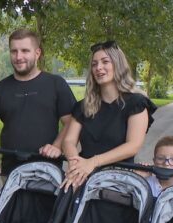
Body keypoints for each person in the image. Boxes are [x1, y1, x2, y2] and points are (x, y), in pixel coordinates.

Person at [0, 29, 76, 178]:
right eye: (14, 51)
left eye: (25, 51)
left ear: (37, 53)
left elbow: (71, 123)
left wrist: (56, 145)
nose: (18, 57)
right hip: (10, 172)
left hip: (48, 170)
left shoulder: (56, 84)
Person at [62, 40, 156, 191]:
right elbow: (68, 141)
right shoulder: (83, 106)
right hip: (83, 177)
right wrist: (75, 164)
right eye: (94, 64)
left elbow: (133, 146)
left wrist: (93, 162)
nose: (98, 68)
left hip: (118, 183)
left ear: (118, 65)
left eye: (105, 62)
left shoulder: (136, 103)